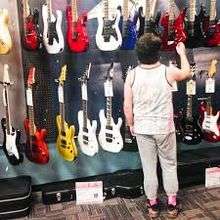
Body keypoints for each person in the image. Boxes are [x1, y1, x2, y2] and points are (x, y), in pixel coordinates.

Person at [123, 33, 192, 218]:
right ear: (158, 53)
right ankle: (171, 204)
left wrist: (131, 124)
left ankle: (152, 205)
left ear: (138, 54)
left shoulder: (132, 75)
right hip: (164, 128)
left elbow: (127, 106)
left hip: (143, 129)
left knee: (148, 167)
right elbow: (187, 73)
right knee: (169, 165)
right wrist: (182, 53)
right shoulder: (167, 71)